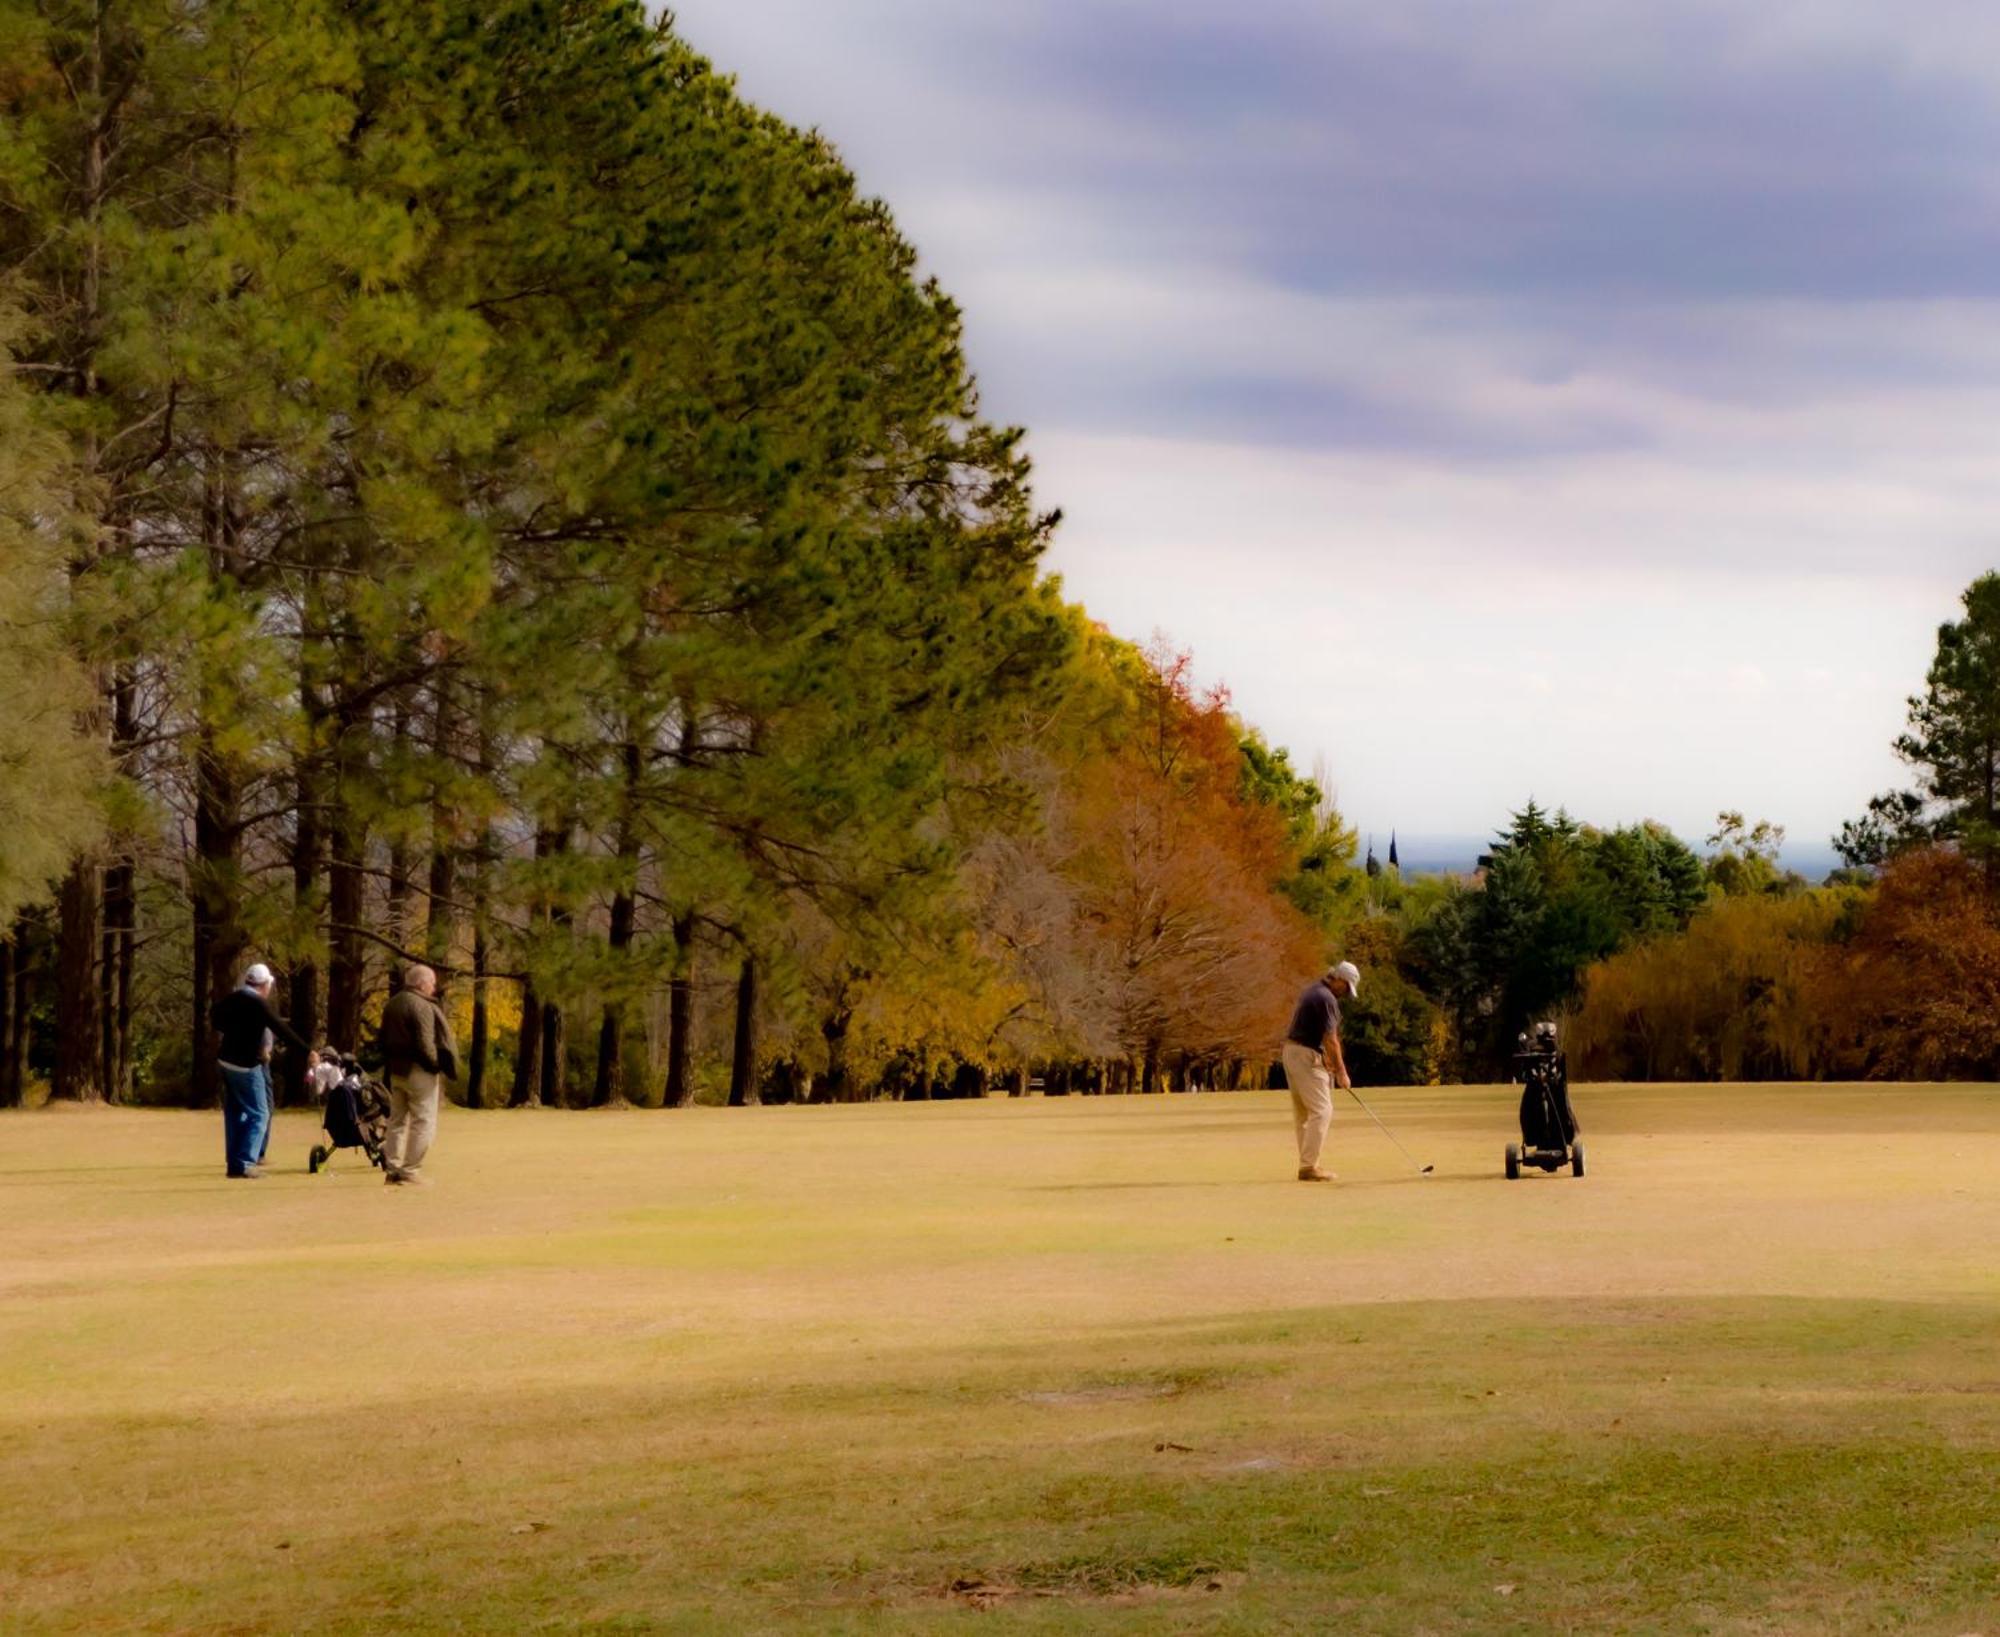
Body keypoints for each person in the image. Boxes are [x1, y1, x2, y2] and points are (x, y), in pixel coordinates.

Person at [210, 963, 315, 1180]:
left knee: (235, 1111)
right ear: (264, 985)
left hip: (225, 1062)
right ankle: (247, 1162)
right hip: (246, 1065)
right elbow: (281, 1029)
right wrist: (307, 1051)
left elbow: (215, 1016)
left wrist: (231, 1030)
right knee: (260, 1113)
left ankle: (234, 1164)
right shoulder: (259, 1004)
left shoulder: (233, 998)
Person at [377, 963, 456, 1187]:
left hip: (397, 1071)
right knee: (424, 1122)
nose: (434, 987)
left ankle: (392, 1169)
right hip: (419, 1071)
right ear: (421, 984)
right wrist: (436, 1066)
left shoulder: (393, 1003)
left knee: (397, 1121)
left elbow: (382, 1039)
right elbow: (425, 1044)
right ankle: (410, 1170)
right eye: (431, 983)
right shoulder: (421, 1006)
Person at [1281, 960, 1359, 1182]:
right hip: (1304, 1056)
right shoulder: (1326, 998)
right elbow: (1331, 1039)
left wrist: (1325, 1057)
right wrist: (1343, 1073)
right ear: (1339, 980)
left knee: (1304, 1113)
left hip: (1293, 1052)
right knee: (1322, 1110)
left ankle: (1308, 1163)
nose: (1346, 993)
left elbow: (1317, 1034)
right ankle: (1308, 1167)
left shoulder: (1314, 991)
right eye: (1346, 987)